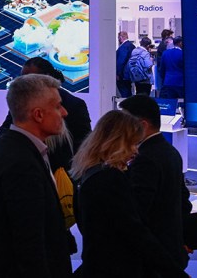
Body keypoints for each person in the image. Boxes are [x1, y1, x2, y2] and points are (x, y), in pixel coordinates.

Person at [0, 73, 72, 278]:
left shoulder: (3, 148)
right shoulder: (21, 164)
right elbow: (29, 243)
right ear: (38, 115)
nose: (64, 112)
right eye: (57, 106)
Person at [72, 110, 187, 277]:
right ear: (116, 142)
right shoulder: (111, 179)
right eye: (132, 144)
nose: (135, 151)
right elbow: (135, 232)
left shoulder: (87, 173)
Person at [119, 95, 193, 273]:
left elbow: (138, 211)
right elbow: (184, 199)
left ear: (142, 125)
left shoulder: (145, 159)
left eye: (125, 123)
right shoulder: (170, 152)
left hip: (154, 253)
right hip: (171, 246)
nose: (121, 129)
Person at [0, 57, 91, 173]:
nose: (63, 113)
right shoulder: (23, 104)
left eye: (29, 80)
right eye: (22, 79)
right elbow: (3, 134)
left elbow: (84, 146)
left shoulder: (74, 105)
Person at [116, 31, 135, 98]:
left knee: (124, 93)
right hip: (129, 74)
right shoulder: (132, 46)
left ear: (121, 37)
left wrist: (118, 74)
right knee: (128, 92)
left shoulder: (124, 47)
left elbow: (121, 61)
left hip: (123, 75)